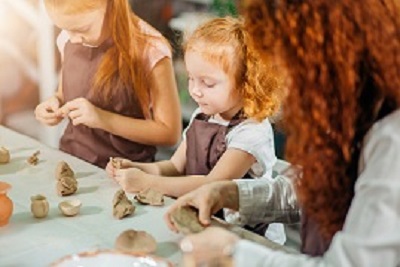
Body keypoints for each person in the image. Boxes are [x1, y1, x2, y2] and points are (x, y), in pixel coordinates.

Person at [164, 0, 400, 266]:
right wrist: (229, 194)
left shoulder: (393, 141)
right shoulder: (351, 109)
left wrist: (235, 254)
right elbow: (313, 186)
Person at [106, 17, 285, 243]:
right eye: (191, 79)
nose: (195, 91)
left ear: (247, 83)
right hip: (206, 223)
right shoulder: (203, 116)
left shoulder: (252, 133)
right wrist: (137, 168)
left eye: (207, 83)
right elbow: (174, 167)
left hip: (249, 238)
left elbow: (212, 186)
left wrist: (147, 183)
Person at [34, 0, 182, 168]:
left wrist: (103, 119)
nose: (73, 39)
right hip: (72, 161)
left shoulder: (150, 50)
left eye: (82, 29)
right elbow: (63, 92)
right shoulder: (67, 39)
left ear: (111, 6)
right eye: (64, 28)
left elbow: (169, 133)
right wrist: (54, 102)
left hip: (125, 173)